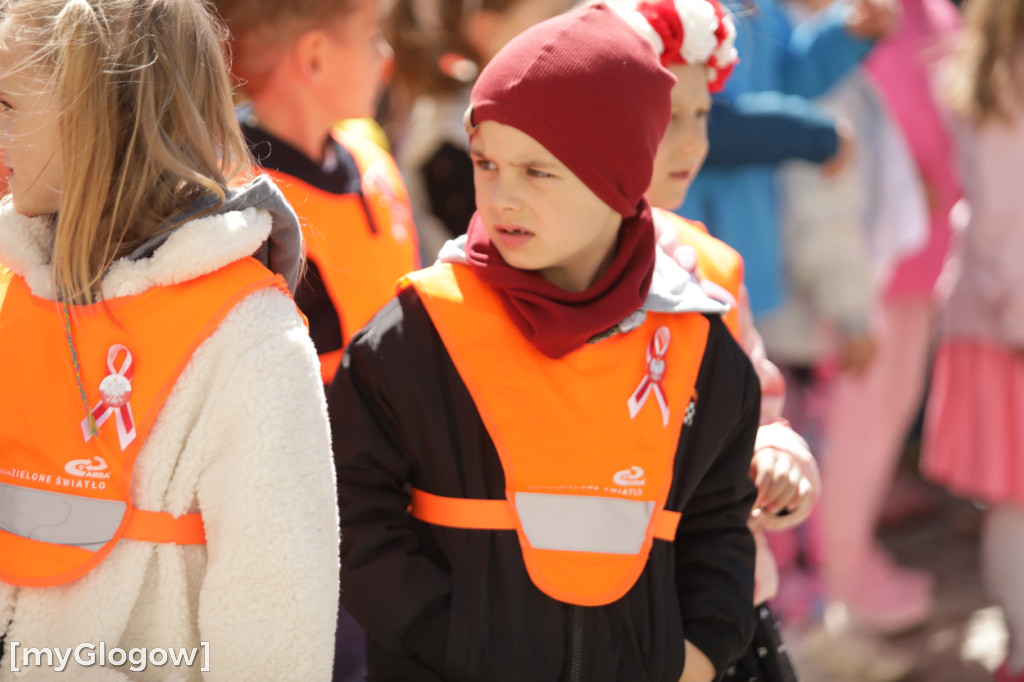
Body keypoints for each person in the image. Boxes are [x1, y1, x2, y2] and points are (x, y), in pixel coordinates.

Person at [330, 5, 761, 680]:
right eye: (487, 162)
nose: (501, 198)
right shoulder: (415, 334)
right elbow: (353, 518)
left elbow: (719, 526)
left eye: (539, 171)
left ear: (620, 176)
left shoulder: (698, 344)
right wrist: (458, 643)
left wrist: (697, 657)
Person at [0, 0, 339, 678]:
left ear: (103, 117)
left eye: (7, 104)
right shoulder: (15, 289)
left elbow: (277, 635)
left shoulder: (250, 339)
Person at [612, 2, 818, 678]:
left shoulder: (715, 265)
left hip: (725, 605)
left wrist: (777, 453)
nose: (694, 142)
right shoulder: (548, 281)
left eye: (703, 116)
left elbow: (757, 408)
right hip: (612, 612)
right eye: (671, 117)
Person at [817, 0, 962, 635]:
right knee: (857, 415)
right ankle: (836, 573)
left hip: (927, 251)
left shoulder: (933, 13)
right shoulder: (858, 13)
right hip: (871, 252)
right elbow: (852, 107)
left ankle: (854, 550)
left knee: (894, 403)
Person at [213, 0, 420, 386]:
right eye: (372, 37)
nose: (386, 57)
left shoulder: (372, 161)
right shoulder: (237, 207)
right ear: (314, 59)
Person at [921, 1, 1024, 679]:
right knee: (1014, 500)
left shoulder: (988, 71)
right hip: (1008, 327)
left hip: (996, 317)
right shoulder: (1006, 80)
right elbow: (1005, 219)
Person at [385, 0, 575, 262]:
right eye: (556, 15)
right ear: (489, 31)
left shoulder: (532, 112)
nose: (574, 27)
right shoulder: (448, 148)